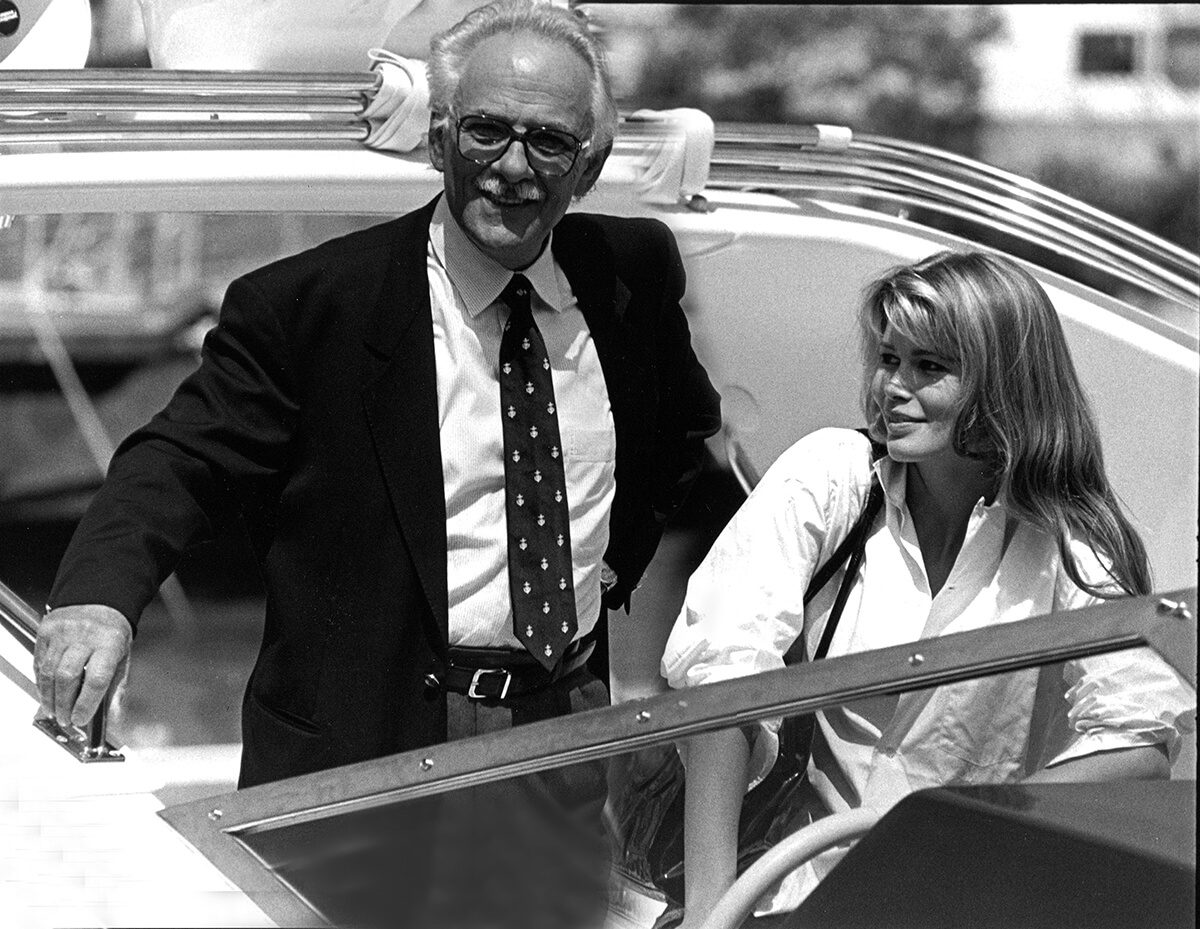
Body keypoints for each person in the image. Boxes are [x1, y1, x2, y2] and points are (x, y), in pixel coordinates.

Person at [33, 0, 720, 790]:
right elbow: (179, 460)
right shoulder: (312, 305)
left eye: (551, 141)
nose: (513, 166)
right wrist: (98, 601)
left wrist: (605, 570)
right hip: (361, 753)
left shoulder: (631, 272)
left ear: (589, 167)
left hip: (563, 729)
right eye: (485, 129)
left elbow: (683, 429)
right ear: (438, 138)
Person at [660, 250, 1193, 923]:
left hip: (975, 896)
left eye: (930, 366)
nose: (893, 386)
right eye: (888, 359)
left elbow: (1136, 743)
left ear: (1004, 383)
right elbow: (725, 674)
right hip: (791, 887)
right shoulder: (832, 478)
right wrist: (715, 908)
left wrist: (947, 829)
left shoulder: (1071, 538)